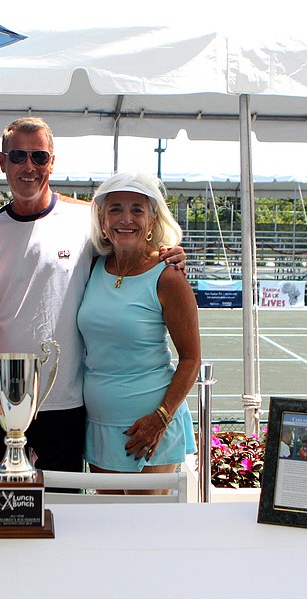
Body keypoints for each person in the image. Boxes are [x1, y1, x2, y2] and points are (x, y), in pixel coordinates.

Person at [0, 117, 186, 474]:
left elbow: (132, 248)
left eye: (39, 156)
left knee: (66, 511)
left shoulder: (85, 222)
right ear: (2, 162)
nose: (28, 166)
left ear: (52, 162)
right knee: (4, 502)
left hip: (66, 401)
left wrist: (170, 252)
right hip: (2, 401)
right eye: (18, 156)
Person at [77, 172, 199, 490]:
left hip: (151, 431)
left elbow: (191, 359)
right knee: (110, 531)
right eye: (115, 209)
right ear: (102, 220)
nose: (125, 219)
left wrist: (161, 417)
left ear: (152, 219)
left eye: (137, 209)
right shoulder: (91, 266)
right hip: (100, 427)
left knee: (149, 534)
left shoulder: (169, 276)